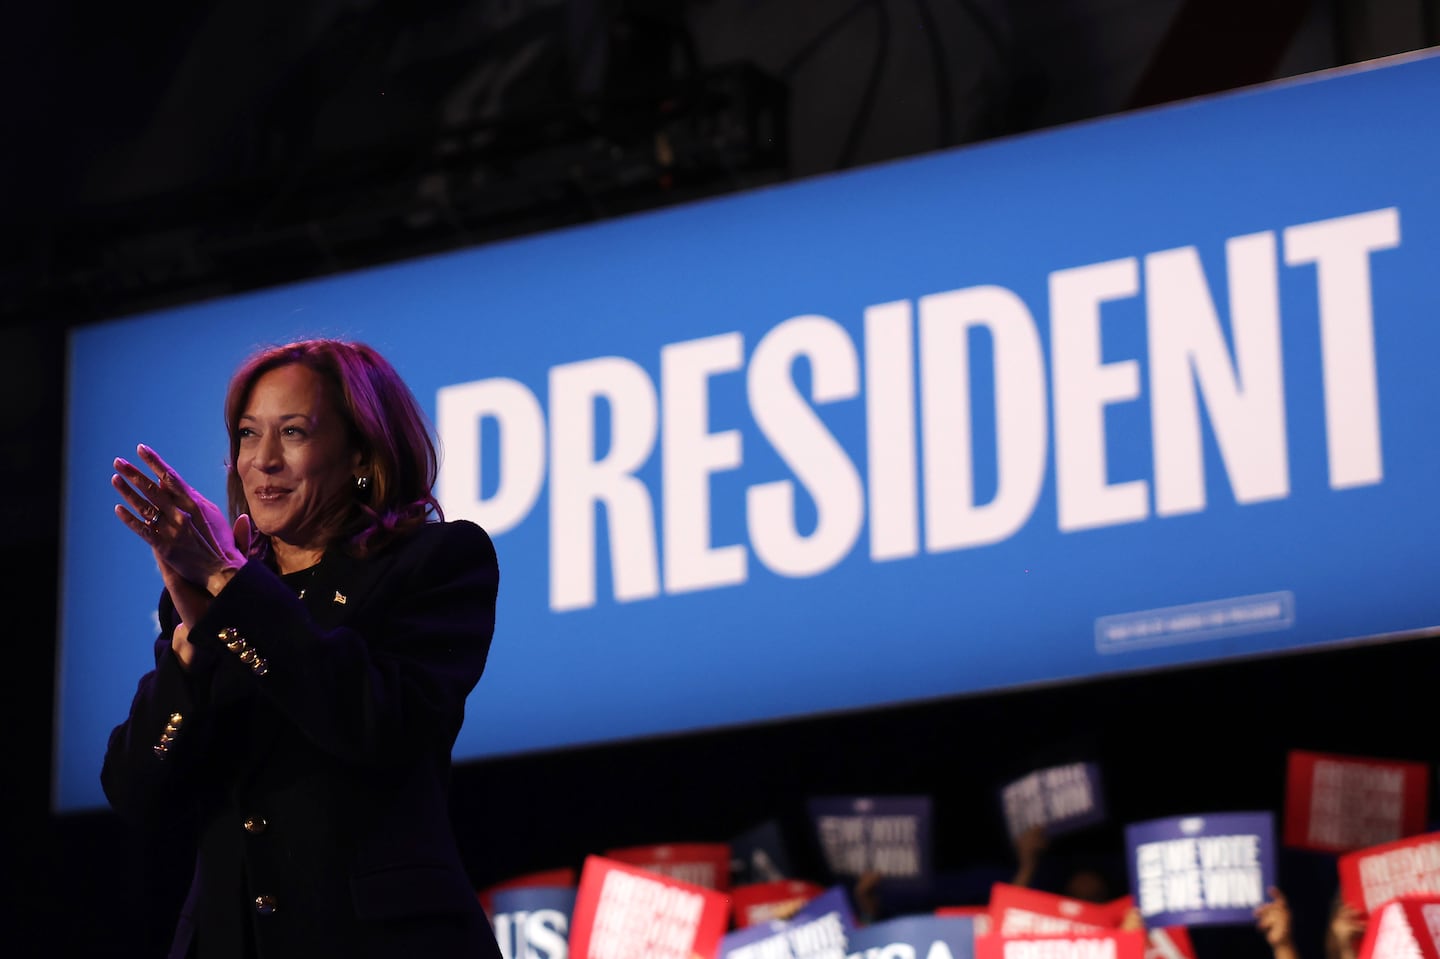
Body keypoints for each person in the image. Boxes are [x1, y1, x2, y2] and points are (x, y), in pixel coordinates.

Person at [100, 338, 504, 959]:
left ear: (360, 453)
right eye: (247, 435)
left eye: (292, 433)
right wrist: (191, 651)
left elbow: (374, 723)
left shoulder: (436, 562)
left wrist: (231, 590)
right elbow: (136, 790)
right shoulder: (209, 600)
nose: (261, 461)